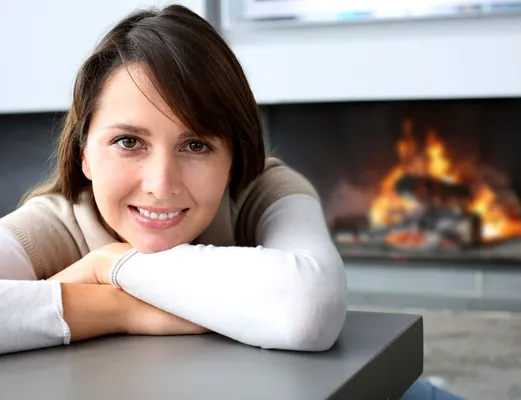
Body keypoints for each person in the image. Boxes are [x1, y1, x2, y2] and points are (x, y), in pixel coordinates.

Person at [0, 4, 464, 399]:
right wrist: (121, 309)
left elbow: (310, 309)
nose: (161, 184)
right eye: (128, 142)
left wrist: (110, 267)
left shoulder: (263, 189)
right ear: (84, 155)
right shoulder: (57, 220)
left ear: (233, 159)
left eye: (196, 145)